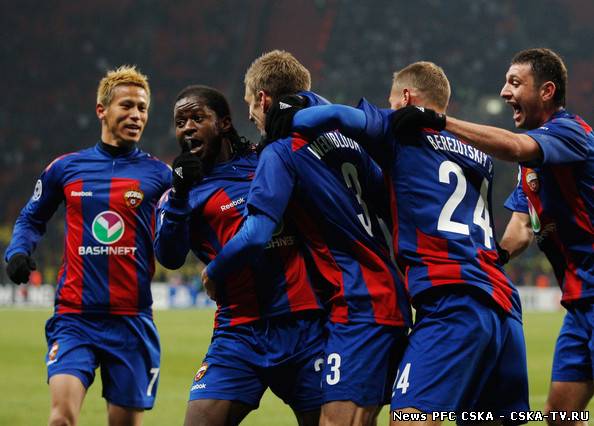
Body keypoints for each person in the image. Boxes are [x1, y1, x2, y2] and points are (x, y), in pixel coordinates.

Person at [269, 61, 529, 425]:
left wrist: (293, 114)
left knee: (409, 417)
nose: (389, 108)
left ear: (406, 98)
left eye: (392, 102)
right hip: (503, 305)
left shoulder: (402, 129)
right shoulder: (477, 153)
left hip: (451, 300)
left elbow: (338, 116)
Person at [202, 50, 410, 426]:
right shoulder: (349, 143)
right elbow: (392, 208)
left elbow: (256, 234)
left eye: (250, 104)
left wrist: (215, 271)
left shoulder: (281, 151)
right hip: (391, 297)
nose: (250, 115)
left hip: (357, 304)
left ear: (263, 98)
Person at [391, 48, 594, 425]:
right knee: (561, 416)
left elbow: (514, 146)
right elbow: (521, 228)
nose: (504, 92)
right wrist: (491, 258)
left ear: (547, 91)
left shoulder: (570, 132)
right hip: (580, 303)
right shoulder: (531, 169)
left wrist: (440, 121)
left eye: (515, 83)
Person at [4, 65, 171, 426]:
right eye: (126, 105)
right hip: (75, 317)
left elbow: (180, 232)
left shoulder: (160, 175)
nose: (136, 115)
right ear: (102, 110)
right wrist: (17, 251)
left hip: (131, 320)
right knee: (61, 419)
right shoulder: (66, 168)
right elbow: (31, 218)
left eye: (142, 108)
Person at [154, 85, 325, 426]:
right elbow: (169, 257)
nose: (187, 128)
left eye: (197, 118)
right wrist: (179, 196)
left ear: (224, 123)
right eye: (180, 122)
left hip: (303, 325)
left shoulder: (269, 159)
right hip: (238, 332)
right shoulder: (181, 194)